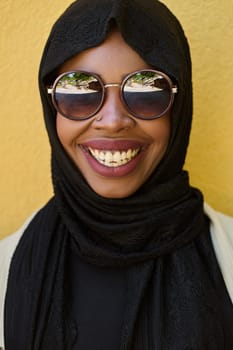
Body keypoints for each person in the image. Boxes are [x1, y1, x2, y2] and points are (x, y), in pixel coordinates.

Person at [0, 0, 233, 349]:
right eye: (79, 91)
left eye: (146, 90)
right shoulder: (7, 266)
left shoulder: (226, 257)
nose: (112, 121)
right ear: (52, 111)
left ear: (179, 108)